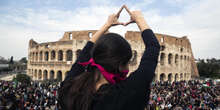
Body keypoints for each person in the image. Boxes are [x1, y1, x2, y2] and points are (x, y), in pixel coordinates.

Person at [58, 5, 160, 110]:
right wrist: (140, 19)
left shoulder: (70, 89)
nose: (128, 68)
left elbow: (85, 53)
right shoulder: (124, 96)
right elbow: (153, 47)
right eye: (127, 63)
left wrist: (107, 25)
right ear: (120, 65)